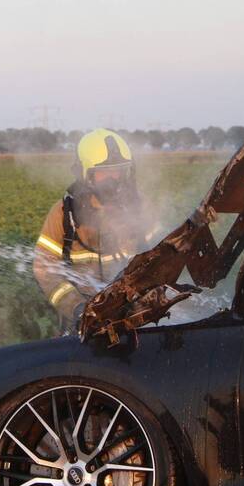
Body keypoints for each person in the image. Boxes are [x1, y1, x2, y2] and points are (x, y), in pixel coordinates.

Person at [33, 128, 160, 334]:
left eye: (119, 171)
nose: (114, 179)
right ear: (85, 174)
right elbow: (44, 269)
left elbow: (161, 258)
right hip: (83, 326)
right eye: (104, 172)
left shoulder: (141, 208)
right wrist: (76, 308)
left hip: (135, 322)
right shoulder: (65, 214)